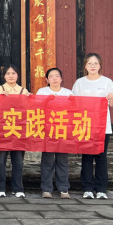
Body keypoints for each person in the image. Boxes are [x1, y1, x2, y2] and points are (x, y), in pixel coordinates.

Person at [72, 52, 113, 200]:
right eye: (89, 63)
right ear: (85, 66)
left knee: (101, 157)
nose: (92, 66)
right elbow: (73, 104)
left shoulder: (107, 82)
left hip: (103, 126)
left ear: (100, 66)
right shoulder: (79, 83)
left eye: (95, 63)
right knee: (86, 157)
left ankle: (101, 189)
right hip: (85, 125)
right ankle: (87, 188)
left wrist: (112, 98)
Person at [0, 64, 30, 198]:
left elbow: (28, 110)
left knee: (18, 160)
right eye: (8, 73)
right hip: (1, 130)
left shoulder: (23, 91)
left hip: (18, 130)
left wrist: (29, 99)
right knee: (0, 160)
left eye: (13, 73)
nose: (11, 76)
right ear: (4, 76)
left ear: (18, 76)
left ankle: (18, 188)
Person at [36, 67, 72, 199]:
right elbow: (36, 108)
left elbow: (74, 110)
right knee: (47, 160)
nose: (54, 78)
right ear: (47, 79)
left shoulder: (68, 93)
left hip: (63, 130)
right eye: (51, 76)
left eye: (57, 76)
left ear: (61, 79)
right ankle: (46, 189)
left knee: (62, 160)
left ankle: (64, 189)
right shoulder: (42, 91)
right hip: (47, 131)